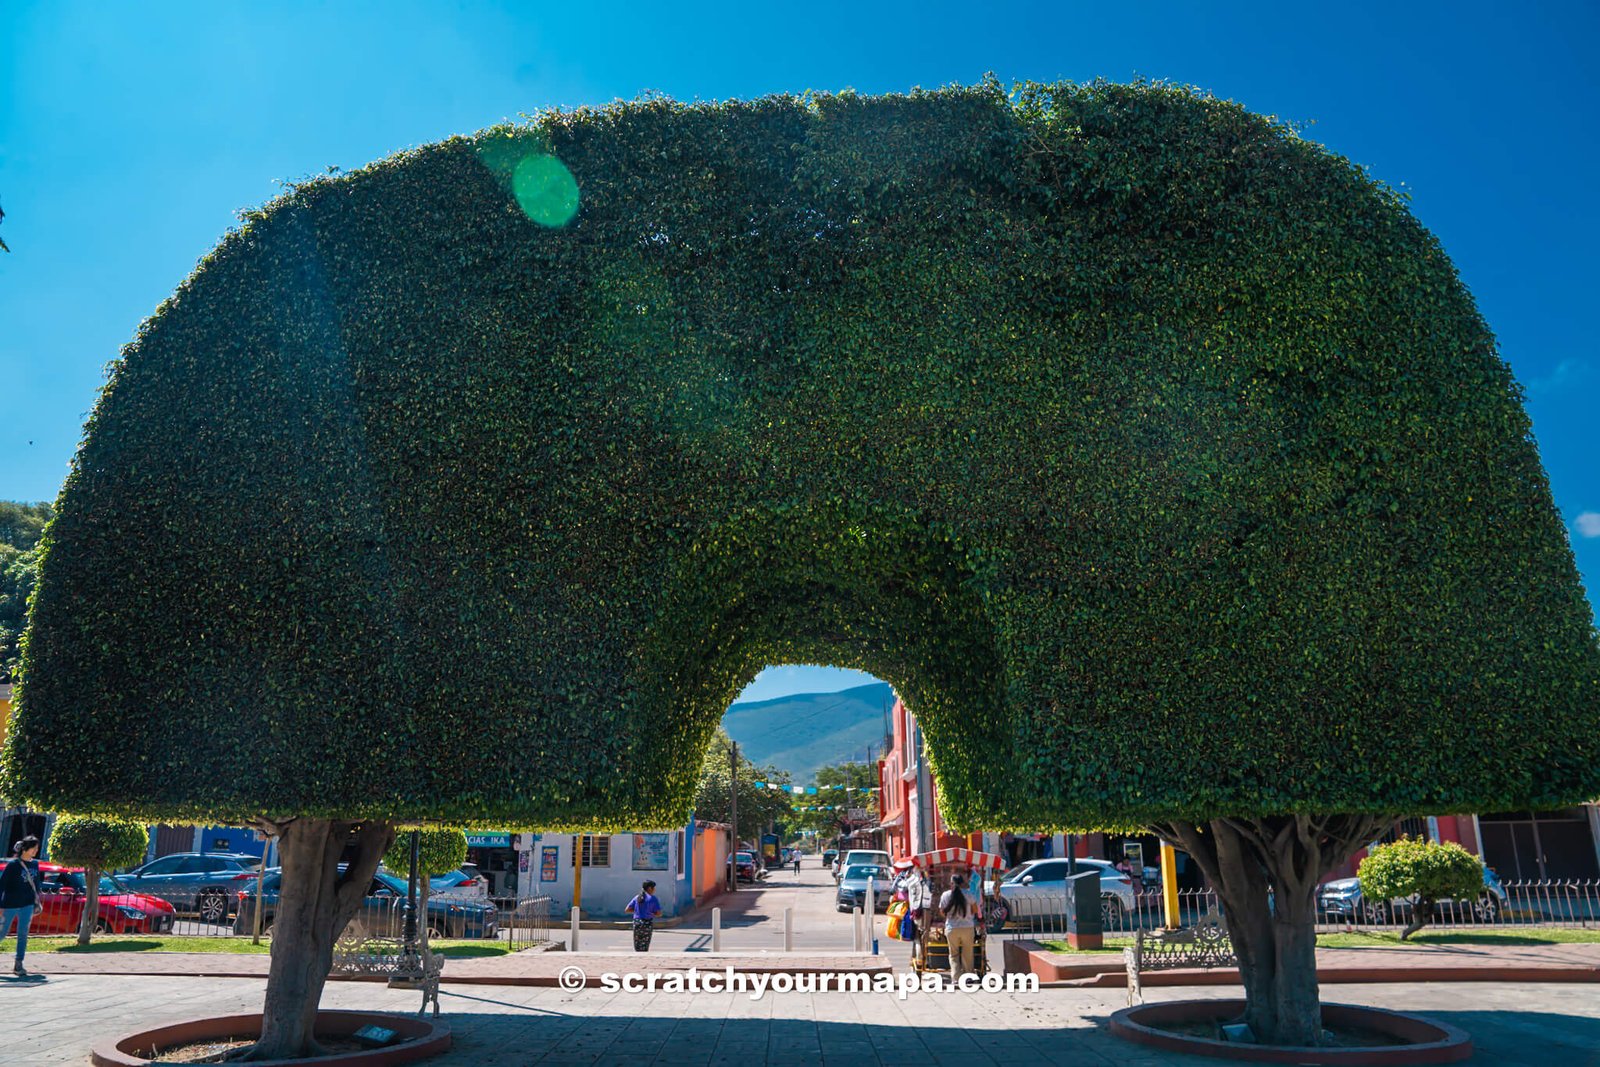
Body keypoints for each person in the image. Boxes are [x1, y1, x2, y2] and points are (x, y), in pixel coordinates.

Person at [1, 835, 43, 977]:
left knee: (23, 933)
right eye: (33, 848)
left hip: (27, 904)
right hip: (10, 903)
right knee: (2, 932)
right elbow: (2, 885)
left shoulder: (35, 864)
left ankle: (19, 963)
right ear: (25, 848)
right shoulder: (13, 865)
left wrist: (37, 899)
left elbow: (37, 883)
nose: (35, 851)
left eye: (37, 849)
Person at [939, 873, 978, 982]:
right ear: (962, 883)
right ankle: (968, 977)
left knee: (953, 954)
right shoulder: (969, 894)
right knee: (967, 953)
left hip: (952, 929)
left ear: (951, 883)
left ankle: (956, 978)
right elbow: (975, 910)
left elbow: (942, 912)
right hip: (968, 928)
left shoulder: (945, 895)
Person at [624, 879, 662, 952]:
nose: (655, 890)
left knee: (637, 945)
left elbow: (627, 909)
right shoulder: (653, 899)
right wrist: (651, 914)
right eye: (654, 888)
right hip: (647, 924)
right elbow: (659, 913)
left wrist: (637, 911)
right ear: (649, 888)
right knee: (645, 946)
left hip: (637, 923)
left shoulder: (637, 897)